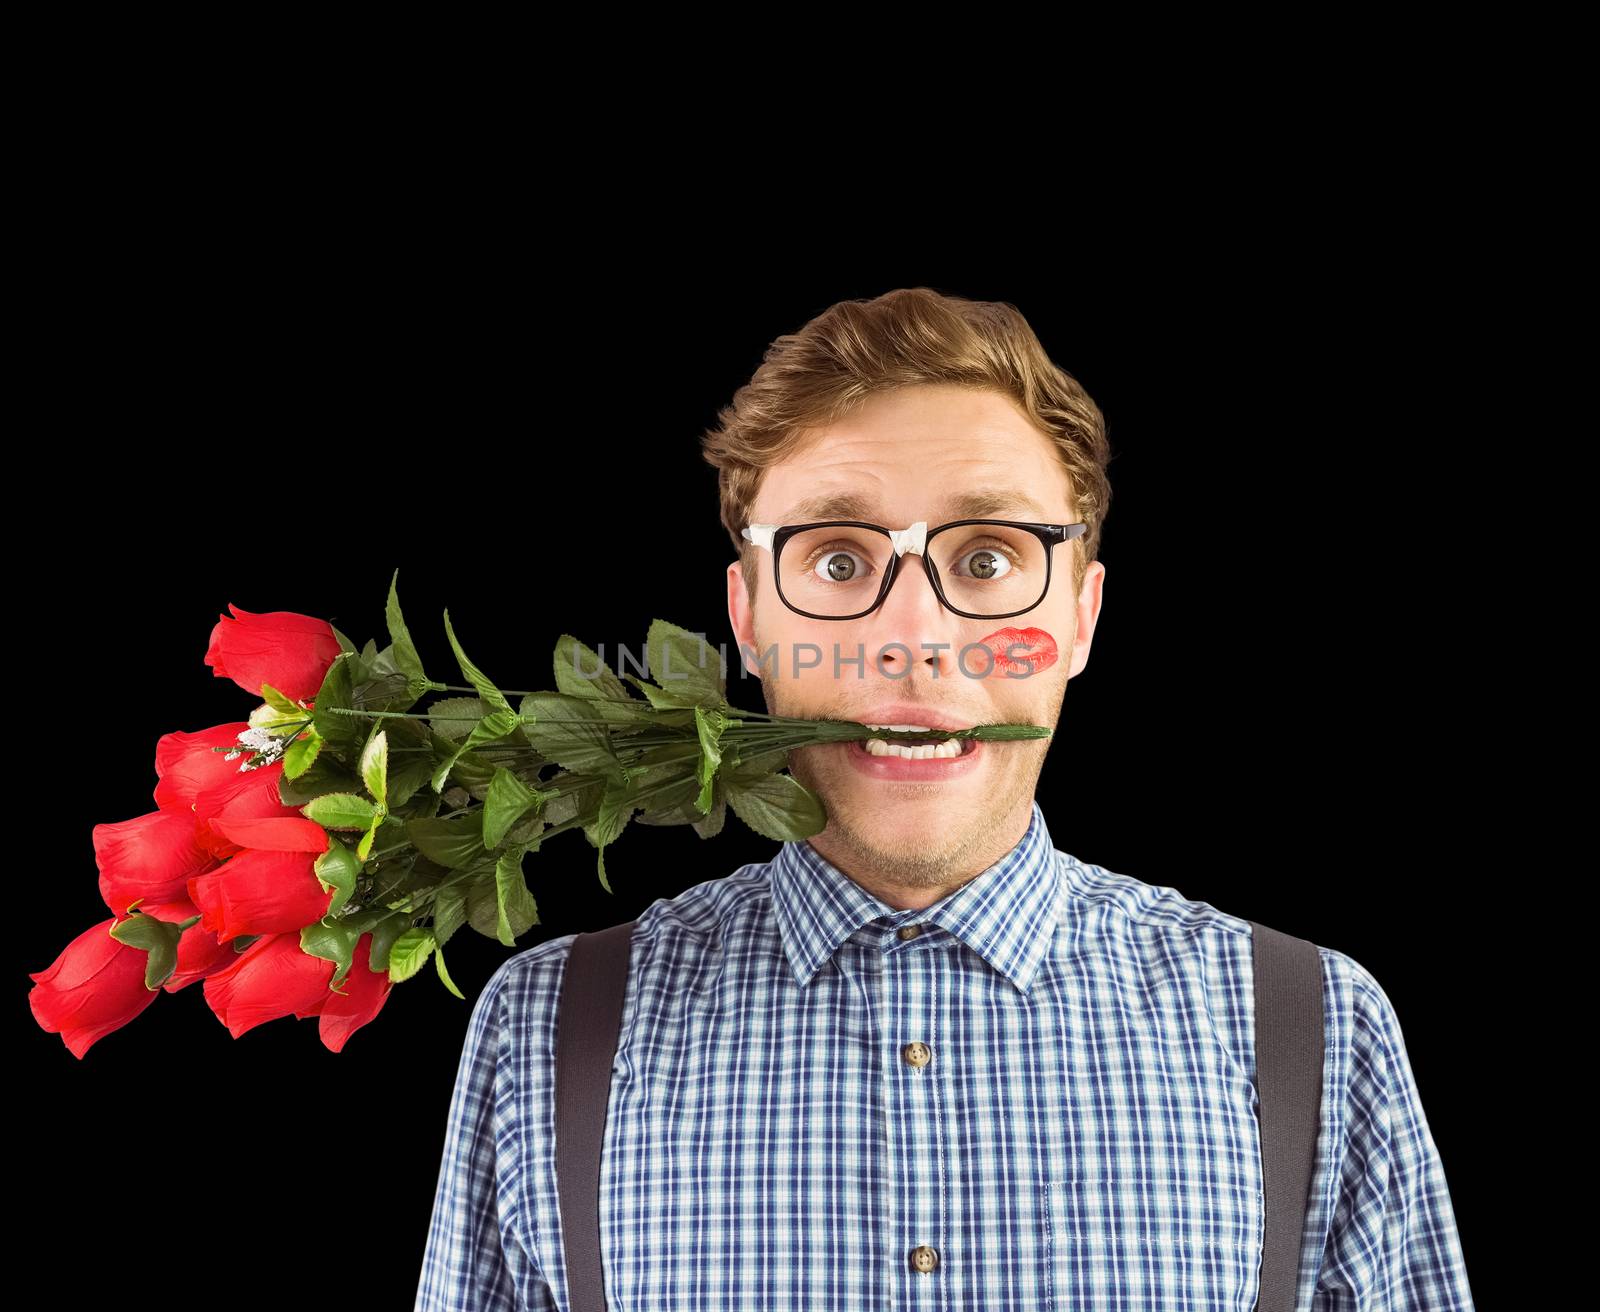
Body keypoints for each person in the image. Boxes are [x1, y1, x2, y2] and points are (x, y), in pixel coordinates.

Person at [414, 287, 1474, 1310]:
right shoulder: (544, 1031)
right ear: (745, 616)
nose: (912, 634)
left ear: (1080, 614)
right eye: (836, 557)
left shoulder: (1314, 1028)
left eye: (986, 556)